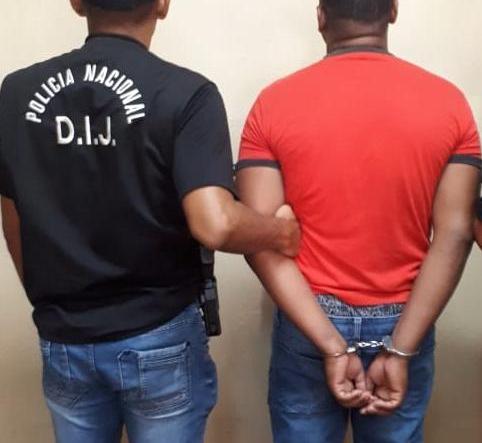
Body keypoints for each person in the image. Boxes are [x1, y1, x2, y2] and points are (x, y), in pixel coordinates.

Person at [0, 1, 300, 442]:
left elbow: (13, 209)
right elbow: (215, 223)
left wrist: (52, 304)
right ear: (162, 5)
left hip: (65, 333)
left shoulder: (15, 93)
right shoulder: (186, 94)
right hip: (158, 334)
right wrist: (281, 232)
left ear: (77, 3)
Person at [236, 0, 481, 442]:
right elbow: (456, 232)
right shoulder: (450, 104)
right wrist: (401, 348)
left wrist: (332, 345)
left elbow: (258, 236)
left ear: (320, 16)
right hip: (407, 316)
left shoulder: (272, 104)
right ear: (392, 11)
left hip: (309, 318)